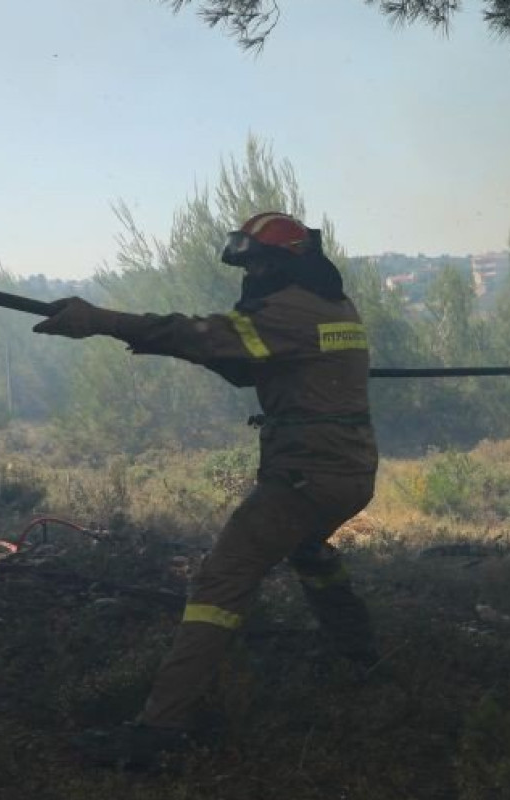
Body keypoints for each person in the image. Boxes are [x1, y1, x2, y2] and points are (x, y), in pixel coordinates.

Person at [32, 211, 378, 766]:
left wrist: (99, 319)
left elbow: (202, 337)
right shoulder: (333, 305)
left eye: (260, 262)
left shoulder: (289, 311)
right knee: (308, 549)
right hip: (349, 472)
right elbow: (244, 364)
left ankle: (161, 730)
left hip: (305, 477)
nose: (251, 274)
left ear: (286, 263)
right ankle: (361, 656)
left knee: (220, 583)